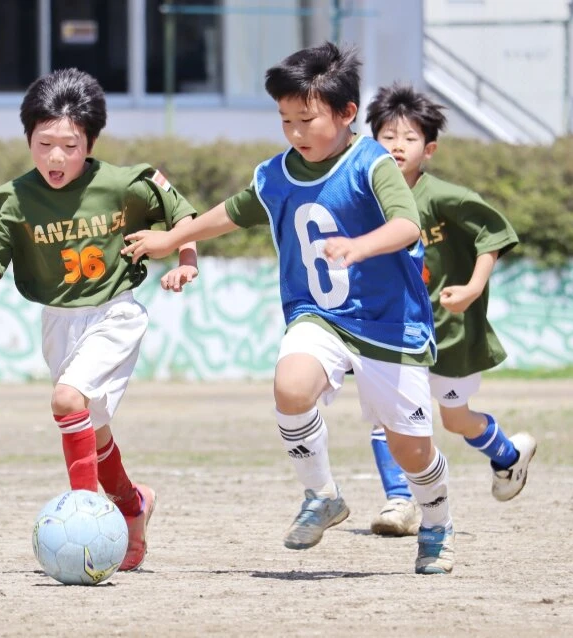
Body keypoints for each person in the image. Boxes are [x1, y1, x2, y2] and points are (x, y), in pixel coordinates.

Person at [121, 43, 456, 574]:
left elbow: (407, 225)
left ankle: (437, 524)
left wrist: (359, 246)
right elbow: (228, 213)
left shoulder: (372, 162)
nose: (296, 131)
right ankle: (321, 495)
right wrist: (172, 240)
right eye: (286, 120)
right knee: (290, 385)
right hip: (318, 315)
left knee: (411, 448)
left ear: (347, 115)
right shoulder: (276, 175)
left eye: (308, 118)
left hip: (390, 324)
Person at [0, 68, 199, 571]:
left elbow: (184, 217)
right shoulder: (11, 201)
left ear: (89, 142)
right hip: (58, 321)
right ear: (28, 140)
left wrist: (186, 259)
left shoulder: (125, 184)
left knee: (67, 399)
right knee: (93, 429)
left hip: (116, 311)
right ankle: (134, 505)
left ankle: (87, 521)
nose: (56, 157)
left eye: (69, 144)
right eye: (44, 144)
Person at [365, 83, 537, 537]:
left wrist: (473, 287)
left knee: (455, 418)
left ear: (430, 149)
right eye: (387, 135)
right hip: (396, 331)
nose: (397, 145)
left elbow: (494, 235)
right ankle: (400, 502)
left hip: (448, 332)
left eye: (409, 138)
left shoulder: (444, 197)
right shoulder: (366, 198)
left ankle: (508, 455)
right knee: (388, 414)